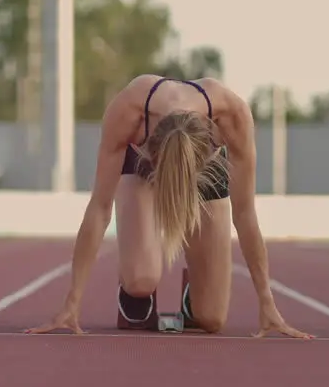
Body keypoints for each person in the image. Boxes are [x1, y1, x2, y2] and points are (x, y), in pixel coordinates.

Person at [26, 75, 312, 339]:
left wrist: (267, 302)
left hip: (204, 174)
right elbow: (100, 208)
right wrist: (72, 303)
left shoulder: (232, 115)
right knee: (141, 279)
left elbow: (245, 213)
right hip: (140, 170)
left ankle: (193, 295)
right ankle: (134, 287)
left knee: (211, 319)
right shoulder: (129, 110)